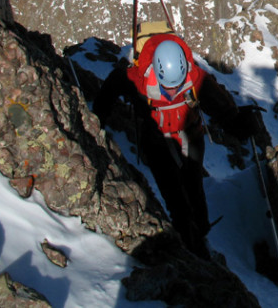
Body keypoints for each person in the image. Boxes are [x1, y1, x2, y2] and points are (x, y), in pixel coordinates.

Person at [93, 30, 258, 258]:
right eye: (168, 86)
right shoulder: (138, 79)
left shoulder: (195, 78)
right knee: (176, 200)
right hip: (159, 143)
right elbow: (113, 85)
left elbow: (220, 106)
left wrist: (240, 123)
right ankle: (195, 250)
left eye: (177, 86)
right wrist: (98, 116)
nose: (172, 92)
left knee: (194, 187)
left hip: (189, 139)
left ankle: (200, 233)